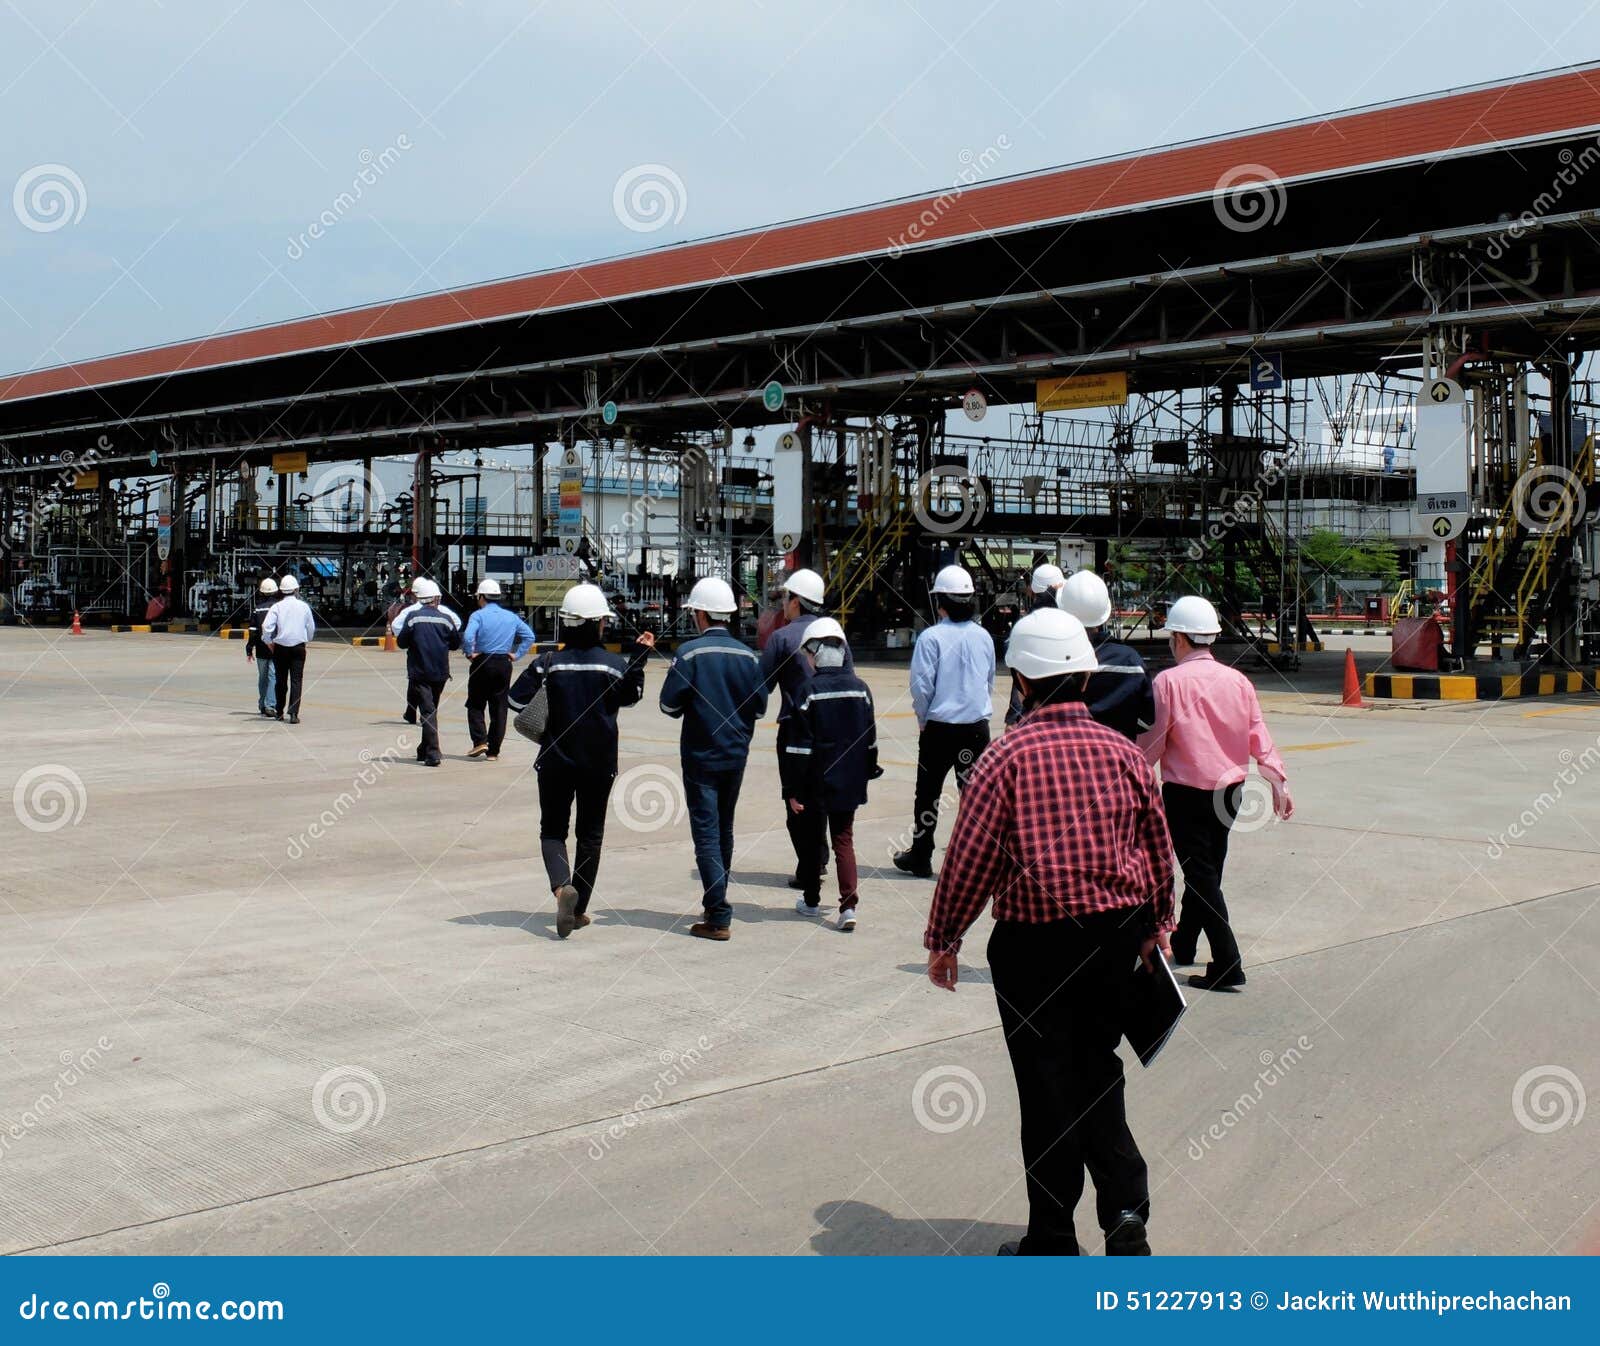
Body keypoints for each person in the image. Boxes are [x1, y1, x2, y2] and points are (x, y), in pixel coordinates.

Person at [924, 607, 1175, 1257]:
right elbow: (1156, 850)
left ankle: (1052, 1239)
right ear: (1087, 682)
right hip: (1113, 938)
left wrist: (945, 939)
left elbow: (970, 860)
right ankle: (1124, 1213)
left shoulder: (1005, 756)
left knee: (1045, 1089)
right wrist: (1157, 926)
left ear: (1024, 682)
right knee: (1097, 1073)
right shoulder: (1123, 753)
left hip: (1032, 947)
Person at [1138, 594, 1292, 992]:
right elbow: (1258, 732)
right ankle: (1186, 944)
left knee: (1201, 875)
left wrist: (1129, 773)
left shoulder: (1168, 682)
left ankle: (1227, 962)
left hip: (1185, 793)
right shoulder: (1238, 681)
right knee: (1207, 871)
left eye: (1172, 636)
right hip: (1231, 793)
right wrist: (1277, 778)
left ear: (1182, 639)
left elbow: (1154, 740)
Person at [510, 583, 653, 939]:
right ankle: (578, 910)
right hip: (599, 763)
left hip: (555, 761)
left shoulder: (549, 663)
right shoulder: (613, 665)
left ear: (567, 624)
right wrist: (638, 659)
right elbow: (632, 696)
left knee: (552, 831)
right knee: (590, 835)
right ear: (599, 624)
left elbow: (514, 701)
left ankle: (562, 888)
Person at [659, 577, 767, 941]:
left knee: (706, 834)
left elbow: (667, 704)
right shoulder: (749, 656)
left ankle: (718, 913)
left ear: (700, 614)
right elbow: (761, 706)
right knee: (724, 829)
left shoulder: (688, 654)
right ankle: (714, 903)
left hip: (700, 755)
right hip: (735, 755)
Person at [893, 565, 994, 879]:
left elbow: (921, 686)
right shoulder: (984, 637)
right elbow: (988, 680)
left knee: (928, 795)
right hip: (976, 728)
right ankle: (974, 862)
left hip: (939, 728)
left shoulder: (931, 637)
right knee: (975, 797)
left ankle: (921, 857)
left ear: (940, 601)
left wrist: (923, 718)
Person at [781, 617, 879, 931]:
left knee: (812, 841)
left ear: (818, 652)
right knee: (843, 841)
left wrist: (792, 788)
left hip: (814, 782)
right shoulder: (861, 689)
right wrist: (868, 770)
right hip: (849, 781)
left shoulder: (807, 691)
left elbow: (799, 747)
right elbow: (871, 738)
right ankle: (848, 907)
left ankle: (811, 901)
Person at [759, 568, 854, 889]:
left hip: (795, 732)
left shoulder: (782, 638)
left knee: (797, 801)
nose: (784, 603)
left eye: (786, 597)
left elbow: (762, 687)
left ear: (797, 601)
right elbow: (848, 681)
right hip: (834, 731)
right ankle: (821, 859)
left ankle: (809, 866)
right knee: (824, 796)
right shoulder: (835, 636)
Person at [1051, 570, 1155, 740]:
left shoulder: (1052, 658)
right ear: (1104, 615)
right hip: (1118, 758)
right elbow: (1146, 722)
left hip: (1062, 757)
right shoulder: (1131, 661)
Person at [461, 578, 536, 760]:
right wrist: (516, 655)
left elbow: (468, 636)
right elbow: (529, 636)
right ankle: (493, 751)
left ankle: (480, 741)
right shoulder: (511, 617)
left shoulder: (478, 616)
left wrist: (470, 653)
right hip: (504, 663)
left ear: (481, 597)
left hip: (483, 661)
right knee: (499, 707)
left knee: (475, 703)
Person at [393, 577, 461, 767]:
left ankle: (432, 753)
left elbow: (401, 642)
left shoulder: (412, 617)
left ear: (419, 598)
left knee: (428, 712)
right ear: (436, 599)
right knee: (430, 710)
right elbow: (456, 643)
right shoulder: (446, 619)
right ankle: (424, 749)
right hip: (440, 673)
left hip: (420, 673)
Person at [1004, 563, 1068, 724]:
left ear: (1032, 591)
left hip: (1032, 712)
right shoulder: (1069, 624)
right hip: (1064, 710)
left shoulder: (1024, 628)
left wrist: (1013, 718)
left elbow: (1019, 678)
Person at [262, 574, 315, 724]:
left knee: (281, 680)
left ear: (281, 591)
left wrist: (268, 641)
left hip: (281, 648)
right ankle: (293, 714)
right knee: (296, 681)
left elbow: (266, 627)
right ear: (296, 589)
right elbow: (311, 627)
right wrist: (307, 639)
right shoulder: (304, 606)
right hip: (298, 647)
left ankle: (279, 711)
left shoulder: (276, 607)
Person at [246, 577, 279, 717]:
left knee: (263, 677)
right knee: (273, 676)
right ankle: (270, 705)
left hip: (260, 648)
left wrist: (249, 648)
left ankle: (262, 704)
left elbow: (253, 631)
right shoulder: (279, 607)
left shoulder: (257, 609)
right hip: (275, 647)